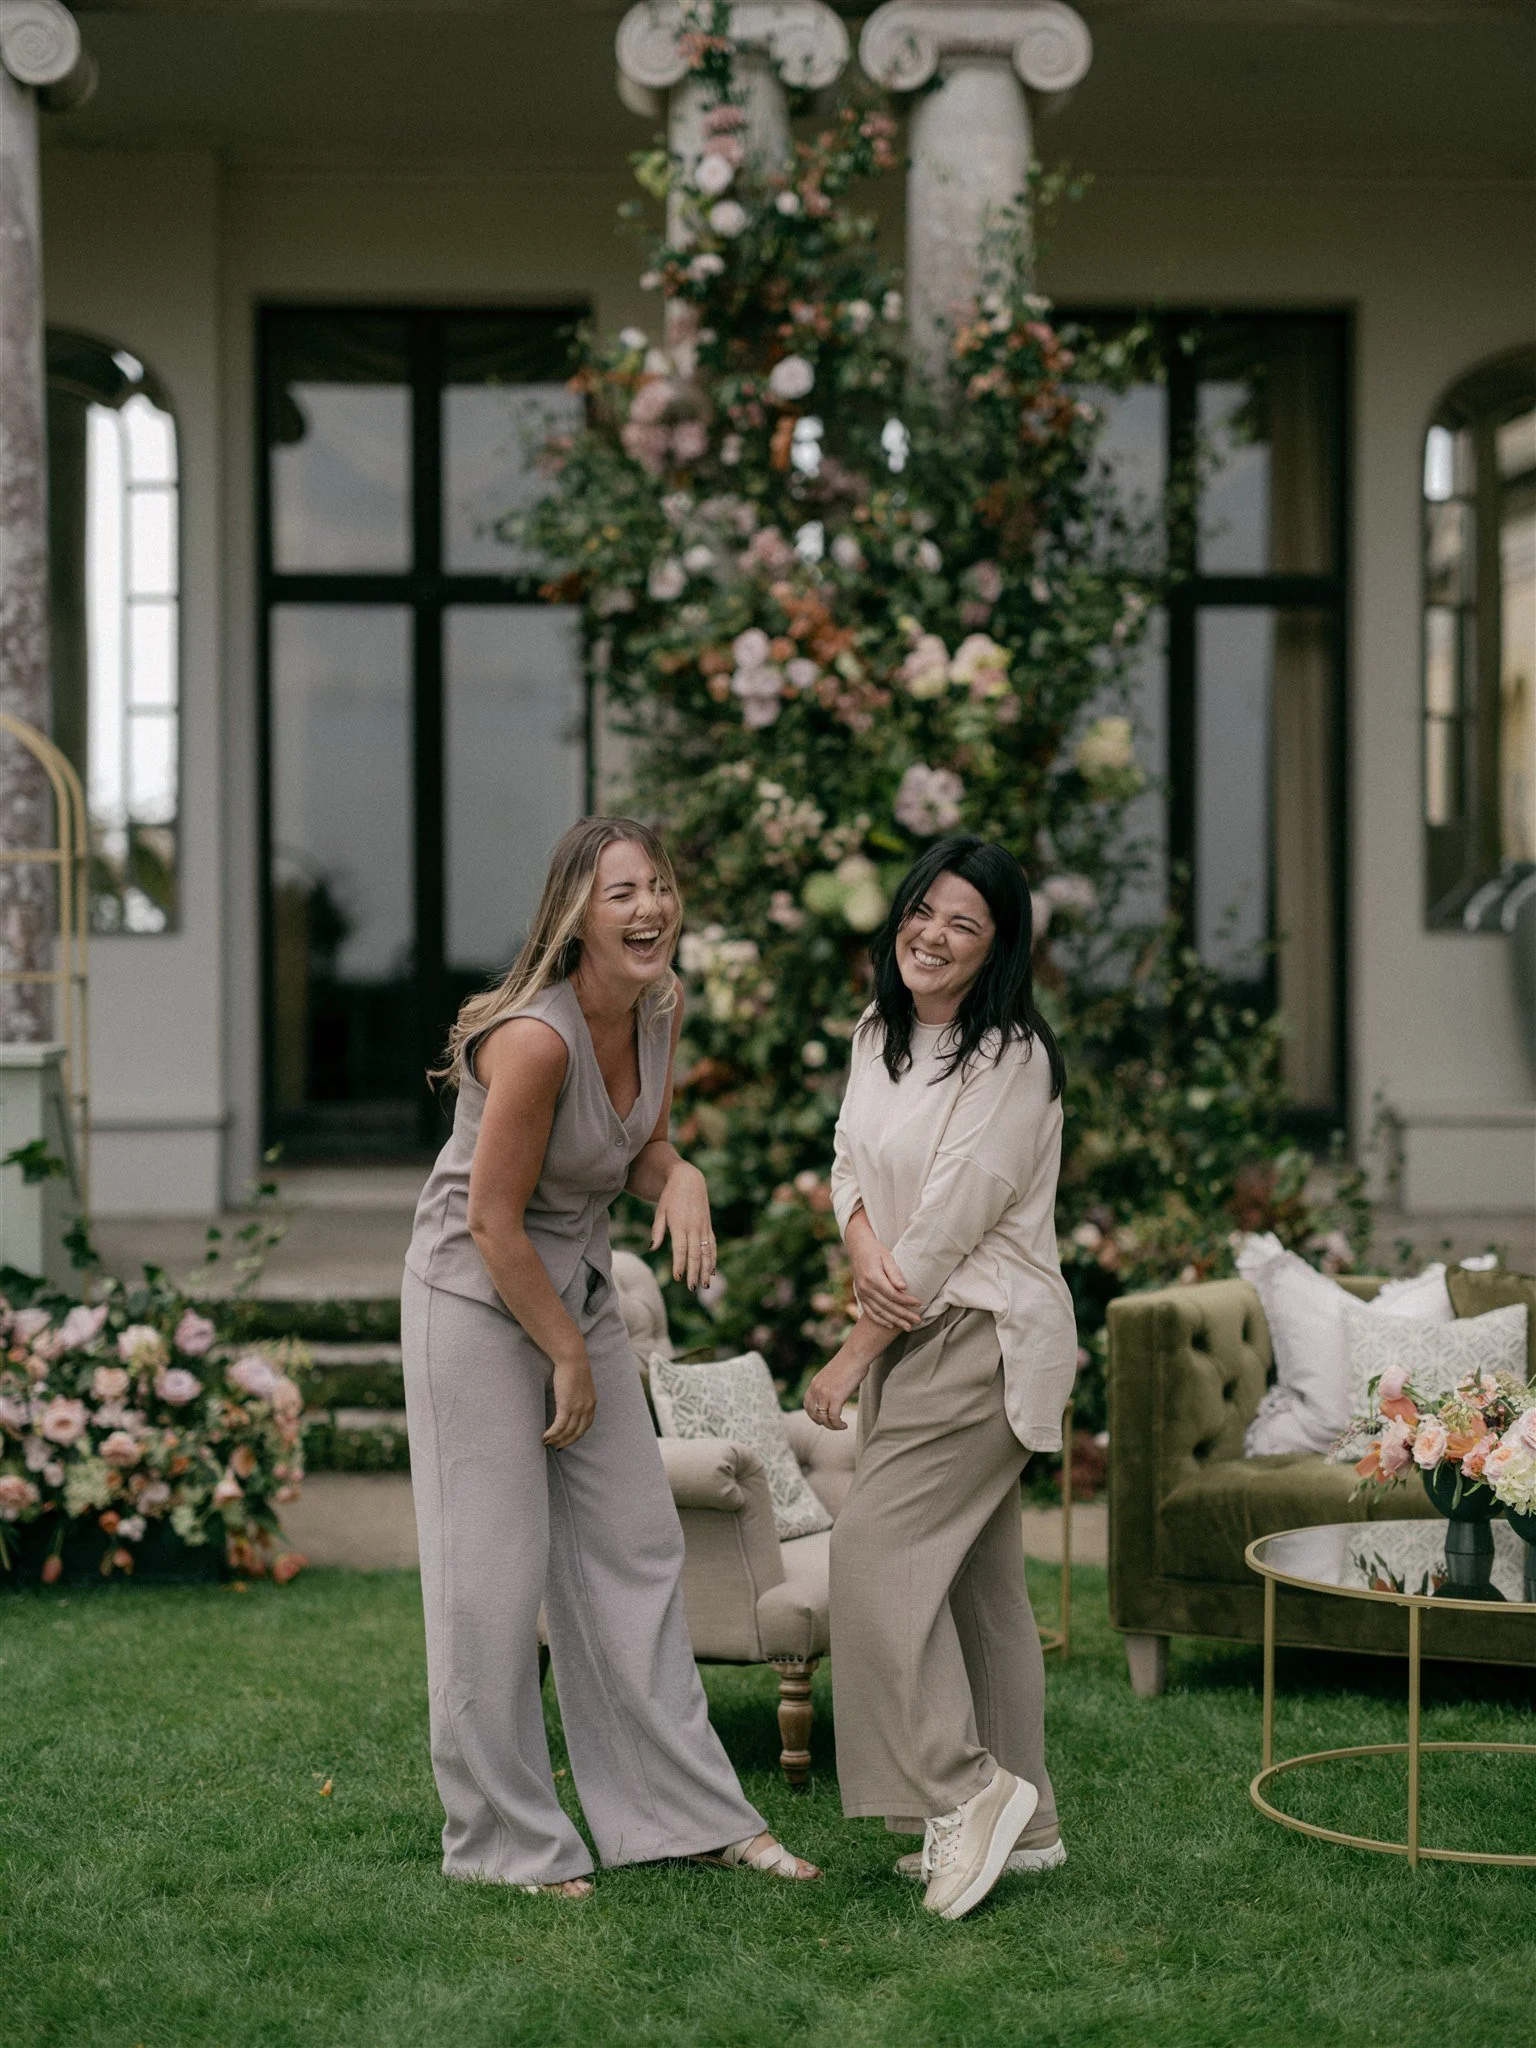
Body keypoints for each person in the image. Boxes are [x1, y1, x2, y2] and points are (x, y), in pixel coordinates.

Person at [402, 816, 818, 1897]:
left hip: (569, 1287)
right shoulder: (537, 1040)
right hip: (475, 1299)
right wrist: (569, 1356)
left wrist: (681, 1179)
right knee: (489, 1578)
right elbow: (494, 1221)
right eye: (621, 891)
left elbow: (640, 1149)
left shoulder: (657, 1006)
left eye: (661, 886)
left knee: (636, 1550)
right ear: (576, 916)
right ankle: (504, 1841)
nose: (649, 907)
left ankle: (682, 1814)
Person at [803, 835, 1077, 1921]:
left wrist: (852, 1348)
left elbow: (957, 1216)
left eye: (965, 922)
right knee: (978, 1589)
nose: (934, 933)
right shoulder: (880, 1032)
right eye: (925, 909)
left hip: (981, 1334)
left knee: (870, 1557)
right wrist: (862, 1240)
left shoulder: (1011, 1058)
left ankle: (968, 1790)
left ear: (997, 947)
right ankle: (1035, 1825)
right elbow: (845, 1159)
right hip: (916, 1319)